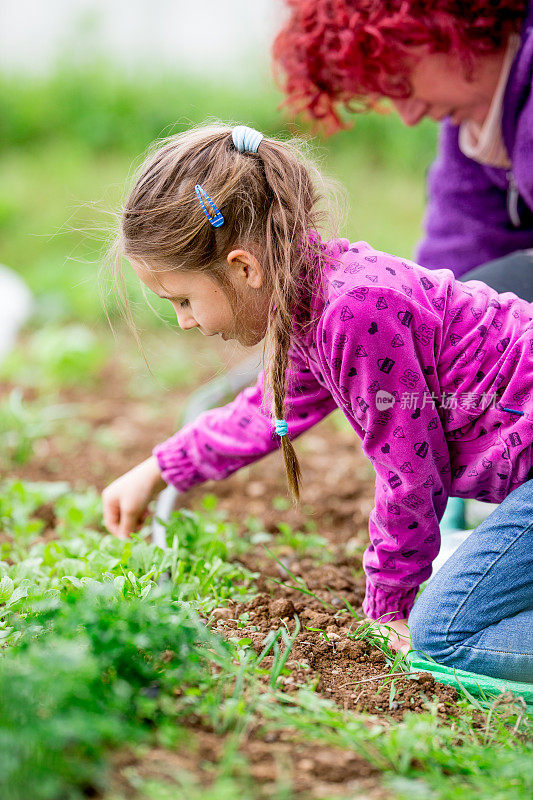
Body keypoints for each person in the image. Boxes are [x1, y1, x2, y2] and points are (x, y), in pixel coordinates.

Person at [102, 124, 533, 682]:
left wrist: (388, 607)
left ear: (243, 268)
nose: (185, 321)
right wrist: (161, 467)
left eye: (184, 300)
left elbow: (410, 472)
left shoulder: (356, 312)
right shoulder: (315, 297)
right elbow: (267, 411)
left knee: (443, 636)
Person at [272, 0, 533, 301]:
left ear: (449, 22)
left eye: (402, 81)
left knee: (504, 281)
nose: (409, 116)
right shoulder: (474, 121)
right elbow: (451, 263)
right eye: (388, 94)